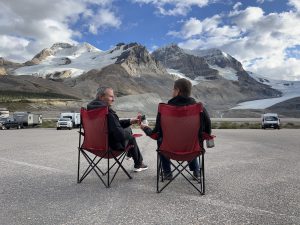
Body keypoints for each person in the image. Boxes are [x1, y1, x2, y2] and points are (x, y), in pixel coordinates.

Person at [140, 78, 211, 179]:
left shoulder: (165, 110)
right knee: (192, 140)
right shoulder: (199, 108)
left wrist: (145, 128)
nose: (172, 91)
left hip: (168, 150)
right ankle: (196, 171)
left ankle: (167, 172)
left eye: (173, 89)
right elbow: (207, 132)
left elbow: (156, 134)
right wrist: (200, 138)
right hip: (192, 151)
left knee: (161, 140)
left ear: (177, 91)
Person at [87, 86, 148, 172]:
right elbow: (119, 134)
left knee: (127, 130)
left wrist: (130, 121)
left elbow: (114, 125)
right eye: (111, 96)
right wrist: (131, 135)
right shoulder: (107, 113)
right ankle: (138, 163)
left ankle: (130, 155)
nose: (113, 99)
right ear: (101, 97)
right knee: (130, 136)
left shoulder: (90, 111)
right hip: (110, 147)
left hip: (93, 146)